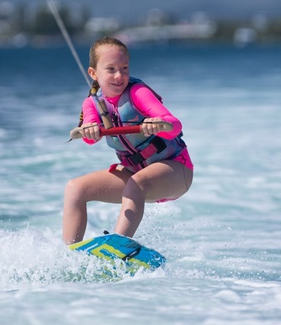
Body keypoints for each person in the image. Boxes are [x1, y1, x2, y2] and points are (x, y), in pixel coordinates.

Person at [63, 36, 193, 244]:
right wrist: (89, 130)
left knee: (136, 182)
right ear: (93, 73)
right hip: (137, 174)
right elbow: (88, 136)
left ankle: (118, 245)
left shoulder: (138, 93)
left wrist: (159, 124)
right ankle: (69, 253)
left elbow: (174, 125)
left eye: (124, 68)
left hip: (175, 171)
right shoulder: (92, 103)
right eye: (111, 69)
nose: (119, 75)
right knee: (75, 189)